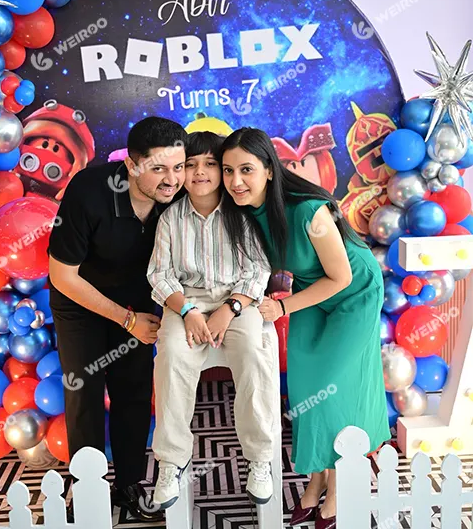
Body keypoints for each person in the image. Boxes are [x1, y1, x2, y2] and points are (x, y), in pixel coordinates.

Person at [219, 128, 390, 528]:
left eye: (246, 169)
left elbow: (341, 277)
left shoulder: (310, 211)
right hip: (313, 291)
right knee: (307, 388)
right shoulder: (242, 213)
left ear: (269, 170)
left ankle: (340, 486)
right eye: (227, 171)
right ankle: (317, 479)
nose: (236, 181)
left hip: (353, 291)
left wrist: (281, 307)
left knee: (333, 388)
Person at [47, 117, 186, 521]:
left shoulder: (178, 196)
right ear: (131, 165)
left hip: (139, 301)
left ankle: (128, 485)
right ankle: (86, 487)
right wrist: (126, 320)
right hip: (80, 299)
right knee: (84, 393)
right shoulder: (89, 191)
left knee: (134, 391)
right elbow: (62, 275)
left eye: (178, 167)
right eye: (158, 168)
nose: (171, 180)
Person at [146, 131, 277, 509]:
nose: (200, 172)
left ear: (222, 170)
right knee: (172, 354)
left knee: (252, 350)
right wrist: (187, 311)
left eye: (210, 164)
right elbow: (160, 275)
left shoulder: (242, 214)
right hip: (184, 302)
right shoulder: (170, 218)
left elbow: (257, 271)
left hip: (236, 301)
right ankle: (171, 462)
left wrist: (229, 309)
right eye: (190, 165)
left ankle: (259, 458)